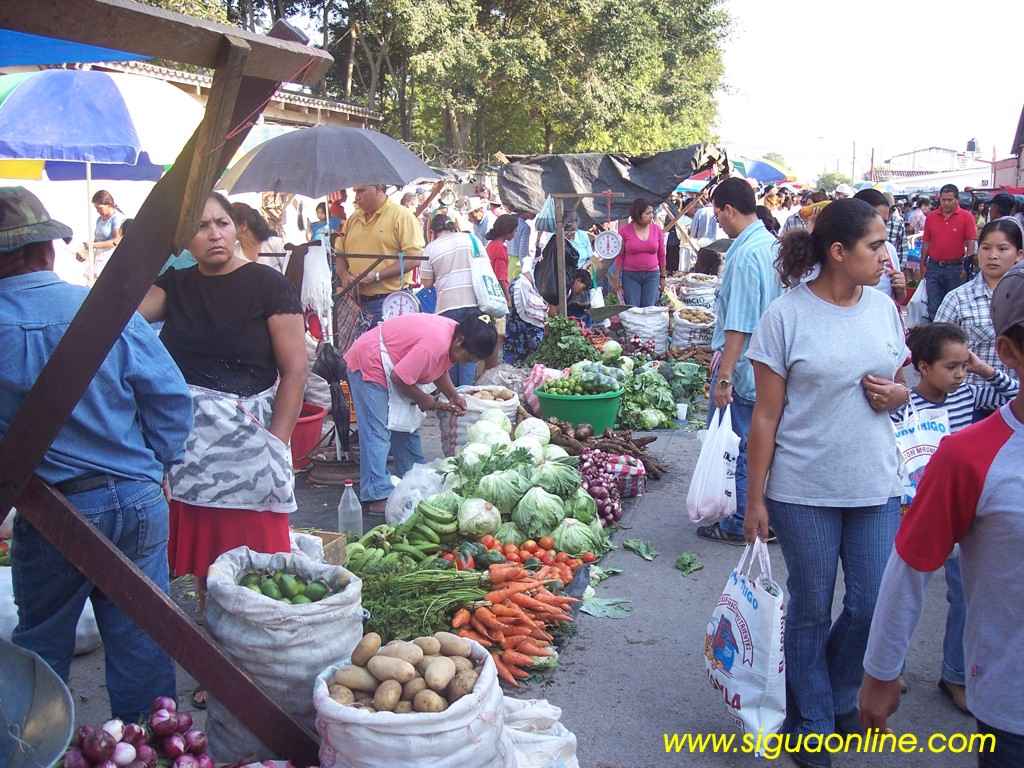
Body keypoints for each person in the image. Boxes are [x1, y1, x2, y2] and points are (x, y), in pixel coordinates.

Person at [1, 187, 192, 721]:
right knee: (142, 636)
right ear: (45, 250)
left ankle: (32, 747)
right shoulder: (98, 309)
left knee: (42, 641)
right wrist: (159, 463)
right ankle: (151, 748)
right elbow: (171, 399)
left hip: (51, 505)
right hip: (134, 497)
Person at [744, 199, 911, 768]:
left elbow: (903, 379)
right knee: (811, 607)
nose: (886, 256)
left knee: (869, 604)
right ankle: (812, 718)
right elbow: (765, 416)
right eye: (875, 246)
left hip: (877, 485)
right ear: (838, 253)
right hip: (804, 490)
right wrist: (755, 498)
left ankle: (838, 694)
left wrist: (900, 394)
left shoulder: (885, 309)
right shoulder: (786, 317)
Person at [860, 264, 1024, 768]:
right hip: (1011, 707)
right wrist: (881, 671)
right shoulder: (969, 456)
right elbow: (912, 565)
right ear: (1010, 352)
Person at [139, 193, 307, 615]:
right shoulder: (176, 285)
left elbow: (294, 372)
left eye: (222, 223)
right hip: (193, 449)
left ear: (237, 227)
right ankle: (216, 647)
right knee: (206, 566)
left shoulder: (268, 285)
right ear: (185, 240)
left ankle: (261, 653)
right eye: (200, 226)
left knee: (261, 563)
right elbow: (125, 316)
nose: (214, 233)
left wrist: (277, 443)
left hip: (253, 444)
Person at [885, 322, 1019, 714]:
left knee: (962, 594)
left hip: (966, 508)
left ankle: (956, 674)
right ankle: (891, 667)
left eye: (964, 365)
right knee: (906, 586)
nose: (960, 374)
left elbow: (1012, 393)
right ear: (923, 367)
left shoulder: (970, 393)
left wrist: (984, 369)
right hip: (917, 506)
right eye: (952, 367)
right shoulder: (906, 404)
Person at [697, 178, 783, 546]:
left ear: (729, 209)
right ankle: (767, 517)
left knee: (740, 445)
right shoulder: (769, 245)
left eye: (719, 216)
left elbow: (740, 324)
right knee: (760, 444)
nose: (720, 223)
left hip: (747, 367)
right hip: (769, 364)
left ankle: (738, 523)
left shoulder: (748, 254)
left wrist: (725, 376)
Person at [344, 313, 497, 513]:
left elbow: (438, 368)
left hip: (394, 364)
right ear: (460, 342)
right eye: (469, 358)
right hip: (370, 361)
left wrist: (452, 395)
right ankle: (376, 493)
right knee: (377, 432)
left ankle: (413, 478)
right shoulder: (436, 343)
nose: (467, 363)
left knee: (407, 425)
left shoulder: (455, 337)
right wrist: (424, 399)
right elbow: (399, 377)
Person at [935, 219, 1023, 393]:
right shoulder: (957, 299)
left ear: (1019, 254)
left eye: (1003, 249)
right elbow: (935, 350)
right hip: (971, 401)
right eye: (986, 248)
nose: (993, 256)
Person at [335, 185, 426, 327]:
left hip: (390, 302)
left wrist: (377, 276)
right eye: (355, 192)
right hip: (356, 303)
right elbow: (339, 253)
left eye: (361, 191)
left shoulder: (401, 215)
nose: (356, 197)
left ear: (378, 189)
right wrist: (344, 276)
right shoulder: (352, 219)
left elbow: (413, 258)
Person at [418, 214, 481, 387]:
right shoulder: (471, 239)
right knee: (470, 349)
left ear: (432, 231)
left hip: (448, 305)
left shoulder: (431, 248)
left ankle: (452, 396)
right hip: (475, 300)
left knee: (451, 353)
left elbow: (427, 283)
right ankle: (467, 393)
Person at [922, 184, 978, 320]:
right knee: (933, 305)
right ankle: (935, 337)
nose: (946, 203)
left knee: (954, 306)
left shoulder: (966, 217)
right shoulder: (931, 217)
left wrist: (967, 266)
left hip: (956, 269)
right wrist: (922, 263)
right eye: (943, 200)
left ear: (956, 200)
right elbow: (926, 242)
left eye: (949, 200)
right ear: (939, 199)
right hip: (933, 267)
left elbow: (971, 242)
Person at [854, 189, 907, 302]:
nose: (884, 258)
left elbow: (900, 299)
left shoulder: (890, 250)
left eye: (885, 222)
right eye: (876, 220)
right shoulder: (847, 251)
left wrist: (900, 289)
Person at [613, 198, 665, 308]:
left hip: (652, 276)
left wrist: (663, 277)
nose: (651, 216)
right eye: (647, 213)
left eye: (652, 212)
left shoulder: (657, 230)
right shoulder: (624, 231)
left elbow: (661, 255)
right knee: (633, 308)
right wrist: (616, 278)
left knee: (649, 308)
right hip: (630, 276)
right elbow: (620, 256)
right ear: (638, 214)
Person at [231, 202, 287, 274]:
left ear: (243, 226)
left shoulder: (274, 244)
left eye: (227, 224)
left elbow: (289, 273)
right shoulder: (234, 253)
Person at [87, 190, 126, 278]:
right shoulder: (99, 220)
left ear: (108, 205)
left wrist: (93, 245)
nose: (97, 211)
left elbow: (115, 242)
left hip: (110, 259)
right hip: (98, 259)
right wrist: (86, 251)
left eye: (99, 208)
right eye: (96, 208)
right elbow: (96, 240)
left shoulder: (117, 219)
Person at [486, 213, 518, 304]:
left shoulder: (491, 245)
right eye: (515, 231)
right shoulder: (500, 249)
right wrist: (508, 300)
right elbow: (501, 278)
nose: (515, 233)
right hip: (498, 294)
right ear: (508, 231)